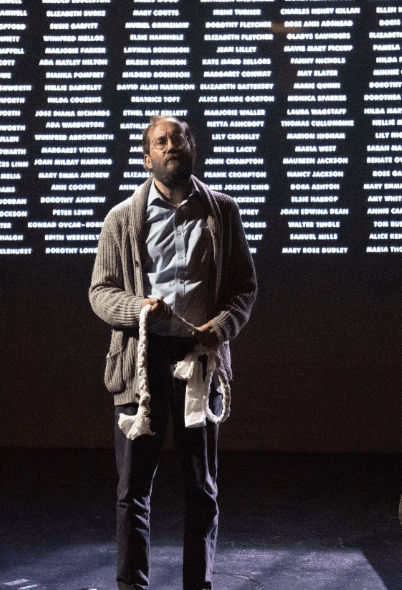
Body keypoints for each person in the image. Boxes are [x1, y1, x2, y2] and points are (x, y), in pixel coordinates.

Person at [89, 115, 258, 590]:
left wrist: (220, 328)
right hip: (140, 364)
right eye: (160, 142)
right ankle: (131, 586)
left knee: (201, 488)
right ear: (147, 159)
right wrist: (139, 308)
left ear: (192, 149)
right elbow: (100, 292)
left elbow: (245, 288)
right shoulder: (121, 218)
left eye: (179, 139)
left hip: (199, 363)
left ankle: (197, 586)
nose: (171, 146)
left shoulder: (223, 211)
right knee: (132, 490)